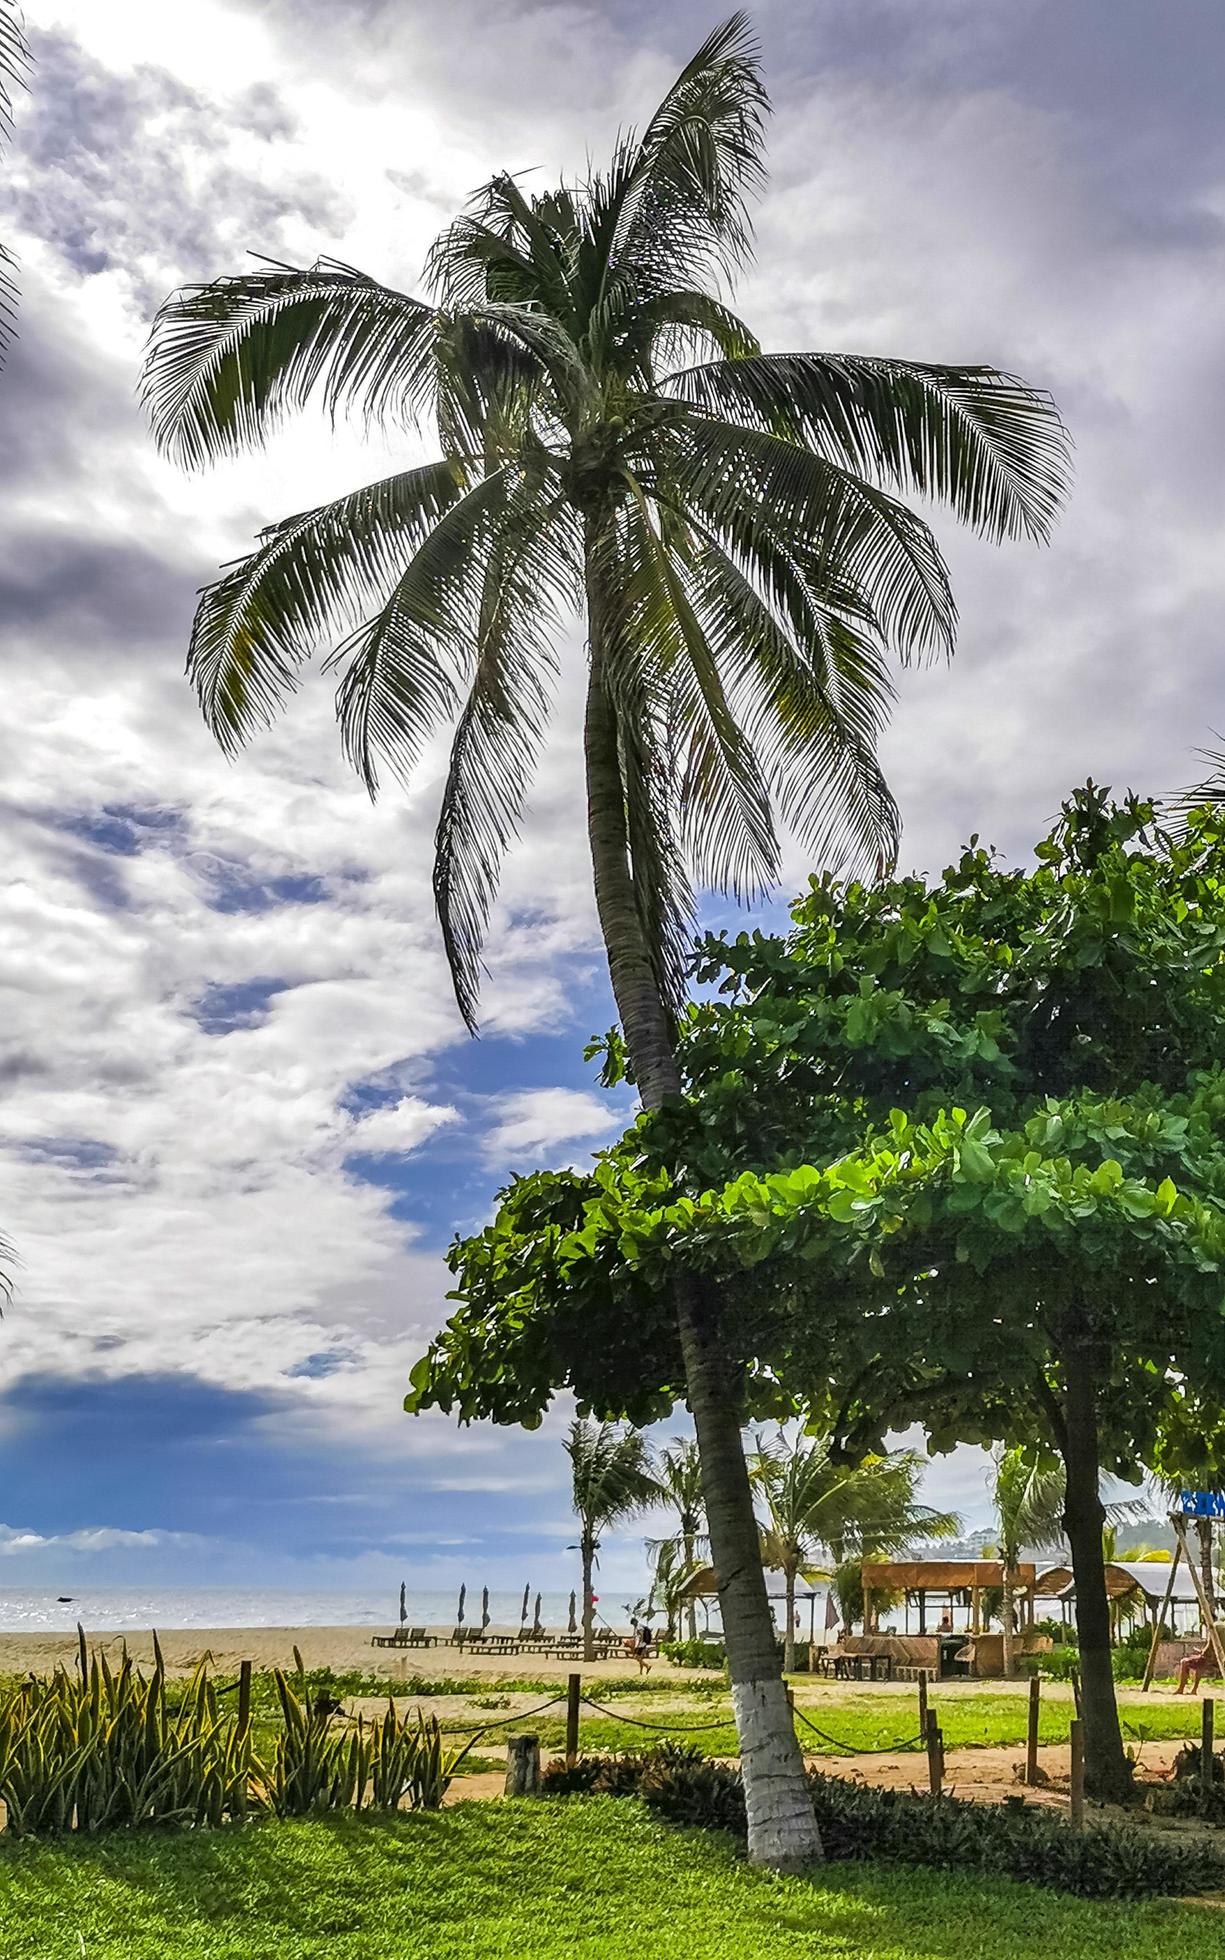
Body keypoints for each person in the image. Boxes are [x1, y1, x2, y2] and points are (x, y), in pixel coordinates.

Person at [1174, 1622, 1225, 1694]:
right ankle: (1193, 1689)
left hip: (1214, 1659)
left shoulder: (1214, 1627)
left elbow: (1210, 1647)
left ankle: (1181, 1688)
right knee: (1200, 1662)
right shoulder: (1222, 1626)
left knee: (1184, 1662)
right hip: (1220, 1659)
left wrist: (1202, 1652)